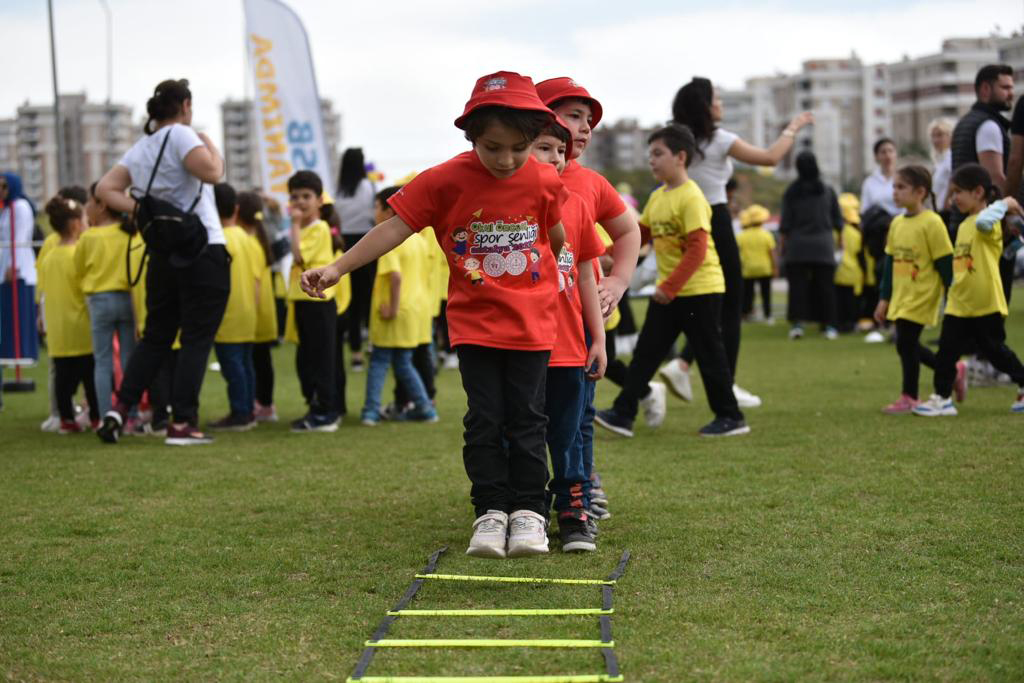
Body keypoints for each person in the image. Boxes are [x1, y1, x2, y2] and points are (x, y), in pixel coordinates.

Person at [301, 71, 567, 559]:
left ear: (534, 140)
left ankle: (529, 512)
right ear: (470, 137)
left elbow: (555, 237)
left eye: (519, 147)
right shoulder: (444, 180)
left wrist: (560, 268)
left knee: (528, 417)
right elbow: (393, 230)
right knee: (485, 419)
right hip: (475, 325)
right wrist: (338, 266)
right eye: (493, 147)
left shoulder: (546, 179)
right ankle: (490, 511)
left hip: (533, 324)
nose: (506, 160)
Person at [658, 77, 812, 410]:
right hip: (714, 218)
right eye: (716, 99)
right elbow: (770, 158)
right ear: (705, 106)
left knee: (702, 301)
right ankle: (725, 383)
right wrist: (793, 128)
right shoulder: (720, 140)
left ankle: (682, 363)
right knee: (730, 303)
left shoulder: (677, 142)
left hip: (682, 221)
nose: (721, 105)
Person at [94, 78, 230, 446]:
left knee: (156, 336)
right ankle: (183, 422)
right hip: (202, 248)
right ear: (185, 105)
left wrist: (145, 209)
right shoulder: (184, 136)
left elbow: (104, 190)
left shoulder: (141, 148)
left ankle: (119, 410)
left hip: (162, 254)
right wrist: (211, 146)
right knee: (197, 338)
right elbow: (213, 173)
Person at [595, 123, 748, 438]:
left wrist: (668, 287)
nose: (651, 160)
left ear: (680, 157)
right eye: (649, 154)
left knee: (710, 356)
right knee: (647, 353)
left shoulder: (692, 197)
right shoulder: (658, 197)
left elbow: (697, 249)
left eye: (657, 153)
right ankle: (623, 413)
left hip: (700, 291)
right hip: (671, 292)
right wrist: (606, 254)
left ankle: (731, 417)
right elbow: (641, 235)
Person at [535, 76, 640, 522]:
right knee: (525, 415)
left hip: (581, 319)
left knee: (579, 413)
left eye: (589, 120)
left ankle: (582, 483)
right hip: (528, 320)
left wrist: (617, 281)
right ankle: (528, 495)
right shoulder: (511, 176)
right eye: (573, 115)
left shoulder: (592, 182)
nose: (584, 127)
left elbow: (628, 231)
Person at [530, 116, 606, 552]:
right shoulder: (510, 205)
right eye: (544, 148)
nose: (555, 158)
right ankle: (531, 510)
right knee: (521, 434)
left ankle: (574, 514)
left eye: (560, 151)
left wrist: (597, 339)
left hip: (568, 349)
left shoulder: (577, 204)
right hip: (522, 347)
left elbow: (584, 276)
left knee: (568, 434)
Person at [914, 164, 1024, 416]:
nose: (953, 199)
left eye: (958, 192)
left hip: (985, 302)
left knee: (995, 351)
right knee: (946, 352)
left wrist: (1006, 203)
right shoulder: (963, 225)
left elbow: (986, 219)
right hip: (959, 303)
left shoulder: (990, 223)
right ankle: (942, 398)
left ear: (978, 192)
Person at [872, 166, 957, 414]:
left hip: (922, 294)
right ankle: (951, 370)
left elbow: (945, 264)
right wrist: (883, 298)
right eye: (894, 187)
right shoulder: (897, 223)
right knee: (905, 343)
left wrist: (953, 297)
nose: (895, 192)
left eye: (901, 187)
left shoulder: (933, 222)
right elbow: (889, 264)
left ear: (920, 192)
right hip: (901, 295)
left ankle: (910, 396)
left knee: (905, 341)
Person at [359, 186, 437, 426]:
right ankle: (425, 408)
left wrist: (392, 308)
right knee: (404, 363)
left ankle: (371, 412)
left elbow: (395, 276)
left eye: (376, 207)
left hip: (393, 311)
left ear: (389, 209)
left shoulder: (386, 241)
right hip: (414, 310)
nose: (374, 212)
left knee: (380, 362)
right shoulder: (419, 240)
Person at [37, 195, 99, 433]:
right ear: (75, 225)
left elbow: (43, 291)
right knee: (90, 378)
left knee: (63, 380)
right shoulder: (78, 255)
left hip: (58, 330)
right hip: (81, 329)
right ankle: (95, 417)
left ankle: (66, 420)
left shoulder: (49, 256)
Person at [76, 182, 137, 419]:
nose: (87, 207)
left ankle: (104, 415)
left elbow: (78, 269)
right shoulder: (129, 233)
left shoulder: (88, 237)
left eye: (90, 202)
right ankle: (129, 414)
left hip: (99, 301)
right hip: (127, 299)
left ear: (101, 206)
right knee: (128, 360)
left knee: (102, 362)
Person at [287, 170, 340, 432]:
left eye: (306, 196)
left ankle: (326, 413)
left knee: (321, 359)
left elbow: (299, 257)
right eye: (295, 196)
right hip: (303, 300)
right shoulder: (306, 228)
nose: (300, 202)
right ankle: (315, 407)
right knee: (306, 358)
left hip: (318, 302)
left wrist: (294, 225)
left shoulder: (318, 228)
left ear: (319, 200)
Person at [208, 183, 263, 431]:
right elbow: (257, 279)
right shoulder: (247, 238)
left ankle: (240, 414)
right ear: (236, 208)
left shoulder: (217, 240)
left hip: (227, 315)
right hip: (248, 312)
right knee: (246, 366)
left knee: (234, 369)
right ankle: (248, 411)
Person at [780, 151, 842, 340]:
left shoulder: (791, 192)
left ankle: (798, 325)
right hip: (823, 246)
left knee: (797, 288)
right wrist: (840, 245)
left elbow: (785, 225)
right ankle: (829, 326)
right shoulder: (827, 190)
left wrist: (782, 250)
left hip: (797, 246)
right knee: (826, 288)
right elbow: (838, 221)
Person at [237, 191, 280, 423]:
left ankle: (261, 404)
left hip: (254, 313)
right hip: (263, 312)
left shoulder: (249, 243)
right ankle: (264, 403)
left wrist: (248, 312)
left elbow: (253, 282)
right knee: (261, 360)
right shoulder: (259, 240)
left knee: (255, 361)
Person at [336, 148, 376, 371]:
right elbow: (374, 216)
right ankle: (372, 342)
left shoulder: (338, 190)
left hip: (345, 244)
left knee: (351, 301)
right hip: (368, 243)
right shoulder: (368, 187)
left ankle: (356, 354)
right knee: (369, 296)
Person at [735, 204, 776, 322]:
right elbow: (772, 253)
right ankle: (768, 315)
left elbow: (738, 253)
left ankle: (746, 314)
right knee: (766, 293)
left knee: (748, 294)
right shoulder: (767, 234)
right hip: (764, 268)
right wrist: (775, 267)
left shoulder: (741, 236)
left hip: (748, 269)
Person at [833, 193, 865, 333]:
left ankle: (838, 324)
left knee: (838, 301)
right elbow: (860, 254)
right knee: (851, 302)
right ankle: (850, 324)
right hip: (853, 272)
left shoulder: (834, 232)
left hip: (837, 272)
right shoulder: (856, 234)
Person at [929, 117, 955, 214]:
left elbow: (953, 180)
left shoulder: (951, 157)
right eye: (933, 136)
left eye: (940, 135)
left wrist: (946, 202)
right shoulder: (939, 161)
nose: (935, 140)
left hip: (947, 210)